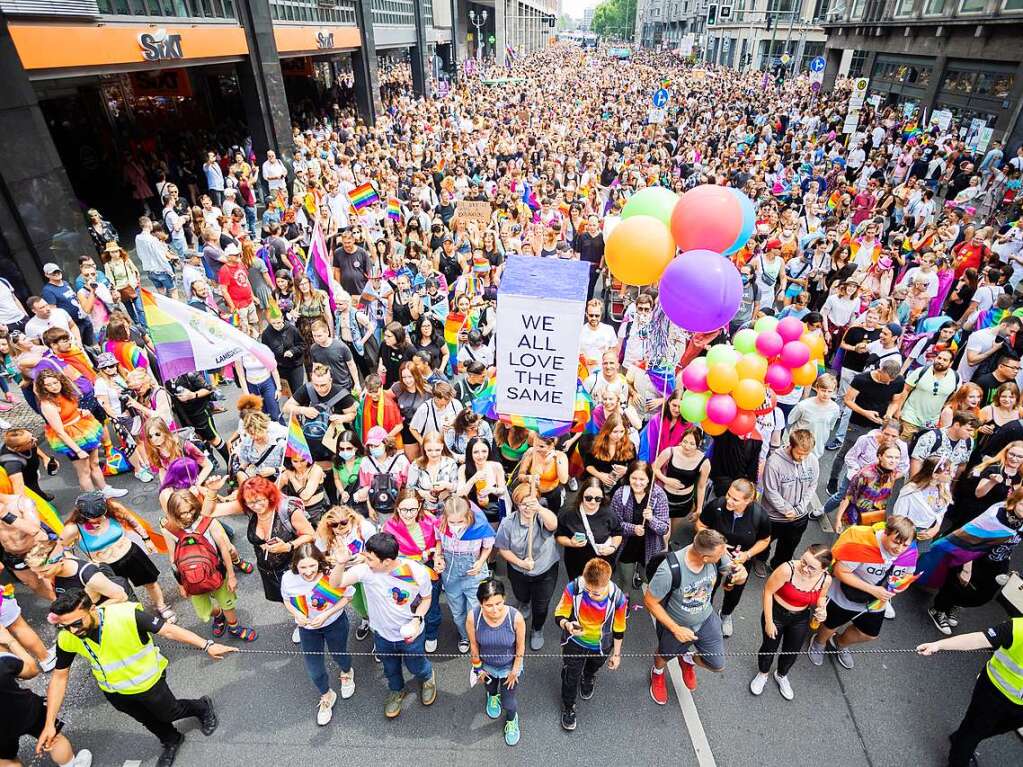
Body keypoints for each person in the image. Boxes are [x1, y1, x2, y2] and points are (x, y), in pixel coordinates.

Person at [42, 590, 234, 767]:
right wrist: (50, 723)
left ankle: (202, 707)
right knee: (148, 720)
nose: (73, 631)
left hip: (149, 682)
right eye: (65, 626)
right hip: (115, 692)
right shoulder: (67, 638)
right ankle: (171, 739)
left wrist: (207, 645)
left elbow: (168, 630)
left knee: (169, 713)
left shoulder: (125, 615)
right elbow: (60, 676)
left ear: (92, 608)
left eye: (77, 623)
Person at [336, 532, 437, 718]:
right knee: (390, 668)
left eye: (371, 559)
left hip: (411, 634)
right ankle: (397, 690)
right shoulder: (365, 571)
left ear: (388, 561)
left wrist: (417, 620)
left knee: (417, 666)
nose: (366, 561)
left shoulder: (416, 572)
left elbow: (427, 599)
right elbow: (337, 583)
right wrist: (341, 563)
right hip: (382, 634)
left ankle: (427, 678)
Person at [646, 528, 747, 702]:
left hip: (706, 618)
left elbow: (732, 575)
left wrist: (741, 575)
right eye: (721, 554)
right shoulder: (669, 570)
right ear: (705, 559)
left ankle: (687, 659)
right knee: (664, 655)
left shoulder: (716, 553)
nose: (725, 556)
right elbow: (650, 601)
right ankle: (657, 672)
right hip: (678, 624)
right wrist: (676, 629)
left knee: (717, 664)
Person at [808, 516, 918, 670]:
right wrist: (873, 589)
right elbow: (841, 571)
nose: (899, 550)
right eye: (896, 542)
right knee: (830, 625)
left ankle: (839, 643)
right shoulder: (864, 542)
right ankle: (819, 643)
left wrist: (898, 588)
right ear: (885, 532)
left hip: (876, 602)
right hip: (843, 596)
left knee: (869, 633)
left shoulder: (909, 551)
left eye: (905, 545)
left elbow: (907, 576)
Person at [917, 618, 1023, 767]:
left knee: (985, 730)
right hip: (994, 692)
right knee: (972, 733)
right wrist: (939, 645)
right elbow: (977, 639)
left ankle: (962, 737)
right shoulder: (1018, 628)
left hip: (1019, 706)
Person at [59, 491, 173, 621]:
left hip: (131, 554)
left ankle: (161, 606)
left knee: (150, 583)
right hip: (106, 566)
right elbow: (61, 549)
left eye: (101, 515)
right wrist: (81, 564)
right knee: (121, 594)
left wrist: (146, 539)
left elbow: (132, 521)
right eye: (94, 518)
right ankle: (136, 618)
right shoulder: (73, 528)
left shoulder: (113, 509)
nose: (100, 519)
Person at [160, 489, 255, 642]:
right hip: (191, 577)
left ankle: (234, 627)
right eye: (182, 513)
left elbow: (224, 548)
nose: (188, 515)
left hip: (217, 571)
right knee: (203, 610)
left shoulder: (208, 521)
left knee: (227, 602)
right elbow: (173, 559)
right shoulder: (169, 530)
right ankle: (218, 615)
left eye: (191, 510)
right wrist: (180, 585)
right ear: (173, 512)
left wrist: (231, 575)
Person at [280, 544, 355, 726]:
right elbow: (287, 600)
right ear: (295, 565)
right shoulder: (288, 579)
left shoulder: (332, 575)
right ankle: (327, 694)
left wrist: (325, 615)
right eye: (303, 567)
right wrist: (296, 614)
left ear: (319, 562)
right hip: (307, 628)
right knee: (314, 669)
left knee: (340, 655)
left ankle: (347, 672)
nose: (308, 571)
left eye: (312, 566)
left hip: (334, 623)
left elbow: (348, 597)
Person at [0, 622, 93, 767]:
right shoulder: (3, 661)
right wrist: (10, 642)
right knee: (53, 739)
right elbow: (31, 669)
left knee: (6, 760)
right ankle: (71, 764)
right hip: (26, 709)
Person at [750, 544, 832, 700]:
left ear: (823, 570)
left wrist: (823, 610)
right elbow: (768, 591)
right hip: (776, 613)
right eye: (803, 561)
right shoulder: (787, 570)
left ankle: (781, 674)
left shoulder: (825, 580)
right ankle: (763, 673)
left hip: (800, 616)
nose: (805, 568)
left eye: (812, 568)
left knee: (792, 651)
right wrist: (769, 621)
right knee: (769, 647)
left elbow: (821, 598)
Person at [554, 557, 626, 732]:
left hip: (601, 645)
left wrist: (616, 654)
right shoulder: (574, 588)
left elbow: (619, 627)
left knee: (594, 666)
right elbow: (560, 613)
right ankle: (569, 706)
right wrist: (567, 625)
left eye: (596, 593)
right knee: (571, 676)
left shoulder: (618, 599)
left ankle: (588, 675)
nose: (590, 594)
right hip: (575, 643)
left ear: (607, 582)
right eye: (588, 589)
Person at [697, 479, 771, 635]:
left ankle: (725, 615)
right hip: (714, 558)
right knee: (708, 586)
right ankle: (703, 615)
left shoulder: (759, 516)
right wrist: (714, 545)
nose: (728, 501)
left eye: (735, 499)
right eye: (728, 495)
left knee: (734, 592)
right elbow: (700, 525)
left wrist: (747, 554)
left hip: (740, 561)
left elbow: (765, 540)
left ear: (749, 500)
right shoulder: (717, 505)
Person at [494, 484, 560, 651]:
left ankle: (537, 629)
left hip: (545, 570)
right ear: (517, 505)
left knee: (541, 605)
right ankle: (524, 603)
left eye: (530, 503)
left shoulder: (541, 516)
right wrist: (521, 563)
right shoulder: (508, 523)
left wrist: (539, 508)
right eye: (523, 504)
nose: (527, 508)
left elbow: (553, 525)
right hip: (519, 570)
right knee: (521, 594)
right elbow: (503, 548)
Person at [35, 370, 118, 496]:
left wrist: (81, 411)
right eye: (49, 385)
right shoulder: (47, 404)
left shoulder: (65, 393)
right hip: (71, 438)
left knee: (94, 463)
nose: (54, 386)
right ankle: (93, 500)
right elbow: (60, 432)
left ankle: (105, 490)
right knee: (84, 472)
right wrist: (78, 450)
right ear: (43, 387)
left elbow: (71, 409)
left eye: (55, 382)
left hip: (84, 429)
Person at [827, 358, 904, 490]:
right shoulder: (861, 379)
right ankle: (833, 480)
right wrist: (865, 413)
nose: (889, 383)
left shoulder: (898, 381)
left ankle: (860, 484)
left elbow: (895, 401)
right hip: (858, 423)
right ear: (880, 371)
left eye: (892, 380)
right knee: (846, 452)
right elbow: (848, 400)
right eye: (887, 379)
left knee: (873, 456)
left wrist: (889, 414)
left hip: (880, 426)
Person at [466, 578, 526, 746]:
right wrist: (478, 669)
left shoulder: (516, 618)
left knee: (509, 702)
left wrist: (515, 670)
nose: (495, 610)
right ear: (480, 603)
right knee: (491, 689)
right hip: (486, 666)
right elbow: (473, 644)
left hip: (509, 667)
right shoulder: (473, 617)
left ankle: (512, 720)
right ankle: (492, 696)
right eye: (489, 605)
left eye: (499, 603)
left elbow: (520, 647)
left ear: (504, 598)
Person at [756, 430, 819, 572]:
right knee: (764, 541)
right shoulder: (774, 462)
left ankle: (778, 566)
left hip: (799, 516)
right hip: (773, 517)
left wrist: (799, 509)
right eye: (799, 454)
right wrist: (785, 510)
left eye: (806, 454)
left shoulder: (812, 460)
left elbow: (812, 486)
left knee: (789, 545)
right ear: (791, 446)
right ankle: (759, 560)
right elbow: (771, 491)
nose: (802, 458)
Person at [437, 497, 495, 654]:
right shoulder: (440, 524)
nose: (455, 527)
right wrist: (438, 557)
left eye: (460, 522)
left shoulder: (481, 527)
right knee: (457, 612)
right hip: (450, 573)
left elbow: (488, 547)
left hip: (473, 573)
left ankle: (476, 636)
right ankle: (464, 636)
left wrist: (481, 561)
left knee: (474, 610)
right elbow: (438, 543)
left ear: (468, 516)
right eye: (452, 523)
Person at [611, 460, 669, 590]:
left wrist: (651, 519)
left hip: (650, 545)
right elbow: (615, 525)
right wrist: (633, 529)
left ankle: (639, 575)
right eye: (634, 478)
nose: (637, 483)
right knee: (625, 578)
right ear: (628, 477)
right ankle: (625, 596)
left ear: (649, 479)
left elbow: (664, 528)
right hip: (626, 545)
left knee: (646, 577)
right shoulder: (620, 494)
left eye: (642, 479)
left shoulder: (658, 495)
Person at [556, 477, 622, 580]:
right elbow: (559, 536)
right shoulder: (569, 514)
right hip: (577, 564)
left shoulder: (609, 514)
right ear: (582, 495)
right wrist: (570, 542)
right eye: (588, 498)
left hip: (602, 564)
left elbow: (617, 533)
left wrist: (612, 547)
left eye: (598, 499)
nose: (593, 502)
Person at [652, 426, 709, 542]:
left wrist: (699, 508)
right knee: (665, 532)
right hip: (666, 497)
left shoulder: (704, 462)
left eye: (692, 444)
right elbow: (655, 467)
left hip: (684, 501)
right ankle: (660, 547)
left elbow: (701, 486)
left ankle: (666, 544)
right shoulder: (670, 451)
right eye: (685, 441)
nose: (687, 446)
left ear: (698, 444)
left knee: (673, 530)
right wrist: (666, 479)